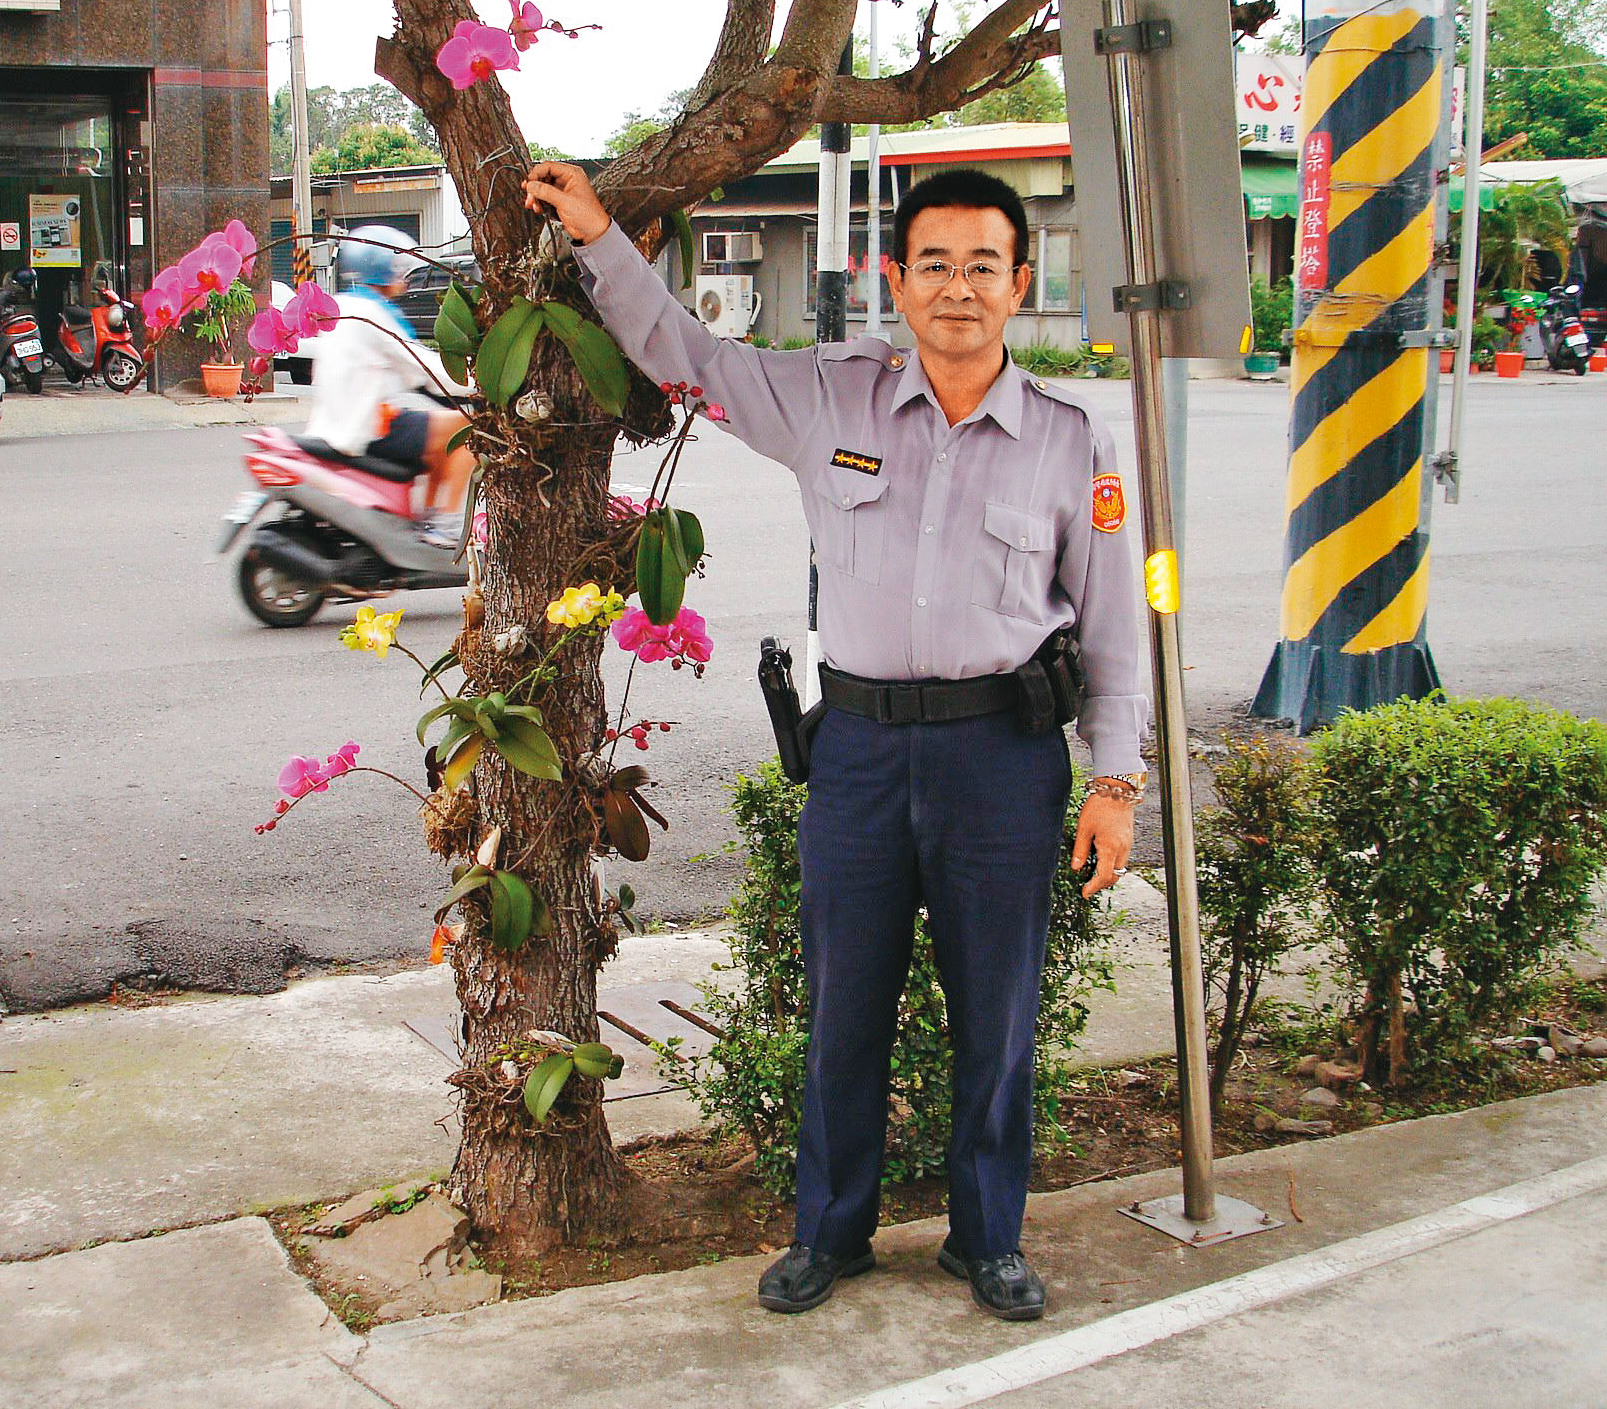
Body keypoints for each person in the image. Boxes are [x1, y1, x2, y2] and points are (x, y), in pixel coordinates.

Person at [523, 161, 1148, 1323]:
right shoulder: (830, 397)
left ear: (1020, 282)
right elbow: (689, 360)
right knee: (842, 1007)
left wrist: (1113, 780)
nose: (956, 288)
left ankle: (986, 1236)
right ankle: (830, 1232)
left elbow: (1114, 624)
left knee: (997, 1017)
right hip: (857, 752)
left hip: (1002, 763)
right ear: (894, 281)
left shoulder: (1072, 442)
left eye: (981, 267)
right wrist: (602, 238)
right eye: (933, 266)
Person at [305, 225, 473, 546]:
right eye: (399, 268)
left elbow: (404, 371)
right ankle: (447, 527)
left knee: (438, 437)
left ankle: (429, 519)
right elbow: (425, 368)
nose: (405, 278)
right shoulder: (374, 314)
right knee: (467, 431)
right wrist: (480, 383)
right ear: (384, 268)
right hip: (365, 430)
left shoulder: (342, 307)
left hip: (337, 424)